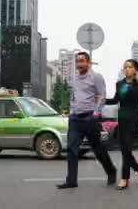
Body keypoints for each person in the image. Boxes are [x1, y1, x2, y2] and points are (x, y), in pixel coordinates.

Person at [56, 52, 117, 189]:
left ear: (88, 63)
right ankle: (71, 180)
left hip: (90, 118)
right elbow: (73, 96)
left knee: (97, 148)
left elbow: (102, 96)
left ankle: (111, 171)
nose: (79, 64)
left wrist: (96, 113)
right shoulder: (74, 78)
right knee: (71, 148)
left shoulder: (96, 77)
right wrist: (71, 112)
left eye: (82, 61)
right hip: (75, 119)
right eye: (77, 61)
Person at [106, 59, 138, 190]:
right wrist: (102, 100)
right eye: (125, 67)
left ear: (135, 70)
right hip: (122, 118)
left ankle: (124, 179)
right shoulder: (119, 84)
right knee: (125, 149)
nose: (127, 69)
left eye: (130, 67)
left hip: (134, 118)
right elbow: (115, 100)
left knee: (126, 149)